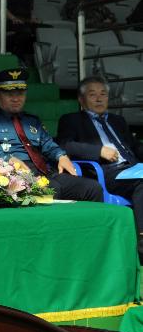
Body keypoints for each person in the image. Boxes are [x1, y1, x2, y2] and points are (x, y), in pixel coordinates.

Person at [0, 69, 103, 202]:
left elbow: (48, 145)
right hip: (14, 175)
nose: (16, 98)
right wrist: (7, 160)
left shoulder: (32, 120)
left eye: (20, 93)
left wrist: (61, 155)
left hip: (46, 172)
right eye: (10, 94)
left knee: (93, 189)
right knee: (52, 189)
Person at [57, 76, 143, 255]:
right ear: (81, 100)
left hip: (133, 167)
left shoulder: (117, 121)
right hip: (108, 172)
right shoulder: (71, 119)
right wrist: (98, 151)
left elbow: (135, 148)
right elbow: (65, 145)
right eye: (92, 94)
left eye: (103, 94)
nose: (99, 98)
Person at [0, 0, 38, 67]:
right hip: (9, 21)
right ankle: (18, 58)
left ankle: (34, 60)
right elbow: (1, 7)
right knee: (25, 31)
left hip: (25, 21)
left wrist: (33, 18)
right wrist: (13, 18)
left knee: (42, 30)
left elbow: (30, 8)